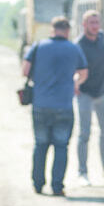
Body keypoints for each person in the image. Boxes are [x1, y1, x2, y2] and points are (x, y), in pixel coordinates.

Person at [22, 16, 87, 196]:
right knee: (61, 146)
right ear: (67, 31)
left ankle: (38, 184)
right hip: (64, 105)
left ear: (52, 29)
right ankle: (57, 186)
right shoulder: (74, 49)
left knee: (40, 145)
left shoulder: (38, 46)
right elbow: (83, 73)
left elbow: (25, 71)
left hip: (40, 104)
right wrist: (75, 83)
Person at [75, 10, 104, 184]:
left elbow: (102, 59)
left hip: (103, 91)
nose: (95, 26)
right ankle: (82, 172)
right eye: (91, 23)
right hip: (85, 92)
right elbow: (75, 67)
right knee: (84, 133)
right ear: (84, 25)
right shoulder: (78, 44)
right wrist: (75, 83)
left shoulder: (101, 38)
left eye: (97, 22)